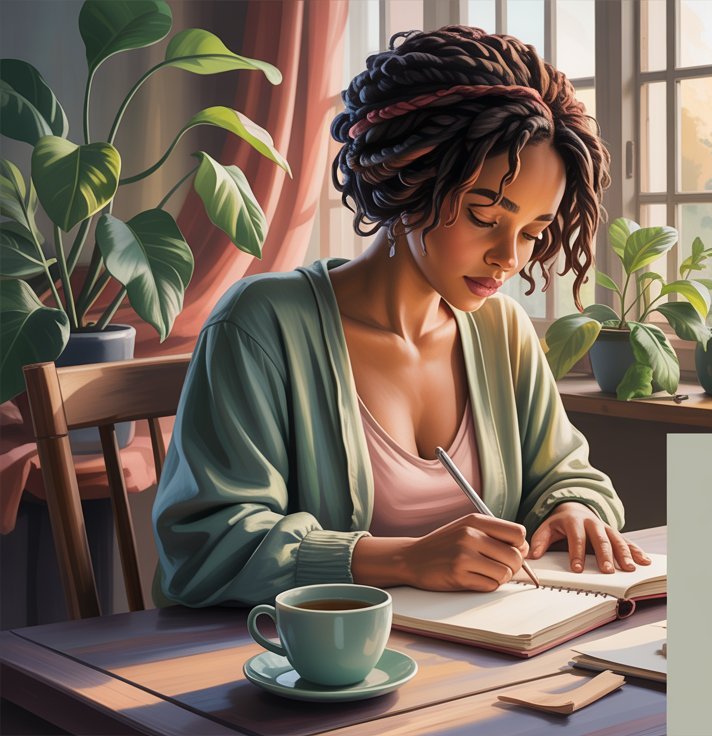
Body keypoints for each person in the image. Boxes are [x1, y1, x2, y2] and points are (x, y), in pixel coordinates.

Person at [153, 25, 649, 607]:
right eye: (484, 217)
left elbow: (564, 471)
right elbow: (207, 543)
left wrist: (572, 508)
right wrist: (406, 560)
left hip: (482, 657)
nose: (509, 257)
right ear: (410, 180)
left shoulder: (502, 330)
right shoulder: (263, 323)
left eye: (534, 232)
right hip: (302, 669)